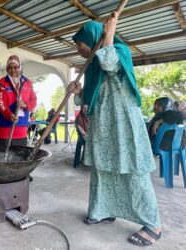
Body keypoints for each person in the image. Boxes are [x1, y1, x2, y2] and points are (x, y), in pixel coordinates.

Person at [68, 12, 162, 246]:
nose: (79, 50)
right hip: (103, 126)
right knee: (102, 169)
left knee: (133, 170)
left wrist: (109, 36)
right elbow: (92, 98)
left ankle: (154, 224)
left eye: (80, 45)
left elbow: (110, 65)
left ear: (92, 39)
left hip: (123, 123)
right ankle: (103, 209)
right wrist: (79, 93)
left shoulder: (119, 51)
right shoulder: (91, 68)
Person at [0, 55, 37, 147]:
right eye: (9, 68)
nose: (12, 70)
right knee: (3, 159)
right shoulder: (1, 83)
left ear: (20, 67)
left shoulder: (27, 83)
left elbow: (34, 101)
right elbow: (1, 103)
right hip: (5, 129)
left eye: (15, 67)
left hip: (21, 130)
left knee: (20, 158)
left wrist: (25, 104)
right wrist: (9, 115)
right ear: (6, 68)